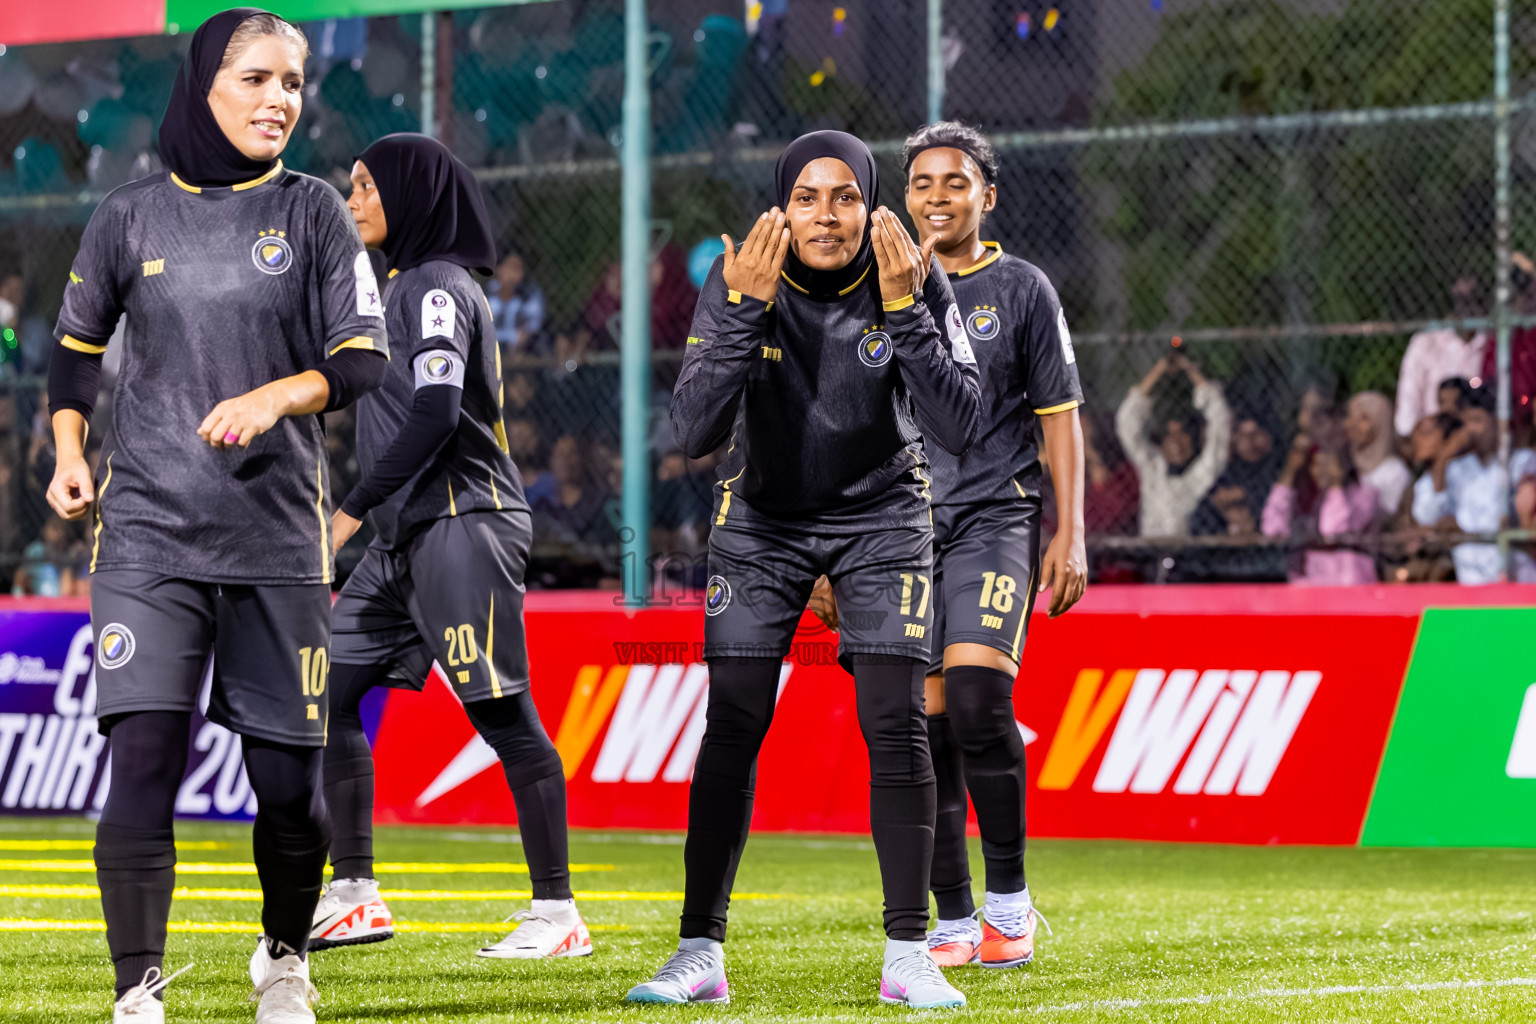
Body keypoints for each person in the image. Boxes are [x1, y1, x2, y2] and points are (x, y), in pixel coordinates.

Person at [45, 11, 388, 1023]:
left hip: (278, 545)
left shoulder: (317, 211)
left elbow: (362, 361)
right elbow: (72, 351)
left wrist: (278, 396)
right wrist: (70, 451)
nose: (279, 99)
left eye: (292, 83)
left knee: (290, 789)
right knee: (143, 756)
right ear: (204, 85)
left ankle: (283, 958)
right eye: (256, 78)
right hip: (147, 537)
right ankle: (135, 989)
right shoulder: (127, 217)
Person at [625, 130, 981, 1010]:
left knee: (894, 723)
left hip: (884, 519)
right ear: (782, 207)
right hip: (760, 524)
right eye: (809, 198)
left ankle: (910, 952)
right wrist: (743, 312)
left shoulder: (910, 273)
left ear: (871, 206)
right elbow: (692, 433)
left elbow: (963, 421)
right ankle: (699, 952)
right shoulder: (742, 276)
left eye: (847, 197)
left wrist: (905, 310)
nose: (828, 215)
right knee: (732, 725)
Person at [318, 133, 590, 960]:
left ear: (411, 195)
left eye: (367, 185)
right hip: (409, 533)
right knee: (323, 693)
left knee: (504, 715)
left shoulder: (435, 287)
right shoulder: (398, 288)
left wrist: (351, 510)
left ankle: (558, 914)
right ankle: (355, 891)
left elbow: (435, 415)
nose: (354, 198)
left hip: (461, 519)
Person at [866, 121, 1084, 970]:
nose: (936, 197)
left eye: (954, 182)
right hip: (901, 529)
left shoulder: (1023, 289)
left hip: (997, 515)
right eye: (920, 183)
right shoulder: (878, 290)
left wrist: (1068, 530)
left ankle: (1013, 904)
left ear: (986, 196)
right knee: (923, 729)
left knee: (980, 702)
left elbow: (1059, 414)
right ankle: (953, 922)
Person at [1413, 386, 1536, 583]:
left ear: (1498, 423)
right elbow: (1426, 516)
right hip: (1470, 581)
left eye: (1477, 421)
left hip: (1516, 579)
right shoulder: (1456, 468)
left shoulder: (1522, 462)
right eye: (1466, 422)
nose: (1470, 430)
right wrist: (1442, 460)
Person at [1115, 353, 1232, 537]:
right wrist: (1159, 370)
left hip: (1190, 556)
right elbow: (1127, 423)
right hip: (1151, 555)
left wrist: (1191, 371)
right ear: (1160, 444)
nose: (1177, 442)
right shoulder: (1152, 468)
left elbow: (1220, 424)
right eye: (1170, 435)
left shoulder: (1200, 475)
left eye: (1183, 434)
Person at [1262, 436, 1380, 585]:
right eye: (1316, 464)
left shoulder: (1364, 494)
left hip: (1350, 580)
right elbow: (1272, 528)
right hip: (1311, 583)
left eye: (1328, 464)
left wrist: (1335, 484)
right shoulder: (1306, 496)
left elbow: (1332, 530)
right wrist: (1291, 470)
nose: (1323, 471)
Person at [1393, 274, 1487, 437]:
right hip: (1431, 439)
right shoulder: (1425, 343)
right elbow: (1409, 399)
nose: (1467, 307)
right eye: (1461, 299)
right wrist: (1409, 438)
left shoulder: (1490, 345)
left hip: (1473, 439)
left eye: (1473, 298)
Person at [1343, 391, 1411, 518]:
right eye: (1351, 416)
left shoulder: (1395, 472)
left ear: (1381, 422)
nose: (1352, 424)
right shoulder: (1344, 463)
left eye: (1364, 418)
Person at [485, 249, 545, 354]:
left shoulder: (529, 296)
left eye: (519, 269)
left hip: (519, 353)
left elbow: (530, 331)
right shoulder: (485, 293)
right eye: (512, 268)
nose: (516, 274)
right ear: (499, 268)